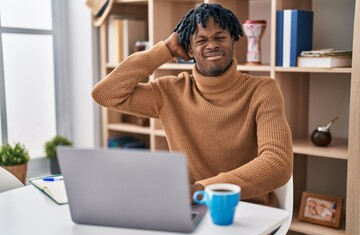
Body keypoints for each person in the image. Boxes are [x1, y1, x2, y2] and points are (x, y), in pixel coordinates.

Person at [92, 3, 293, 208]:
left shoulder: (263, 89)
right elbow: (105, 94)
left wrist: (202, 189)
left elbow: (277, 163)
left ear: (233, 39)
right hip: (193, 207)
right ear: (189, 48)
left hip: (248, 210)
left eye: (220, 37)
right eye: (201, 40)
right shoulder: (171, 92)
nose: (212, 45)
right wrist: (167, 49)